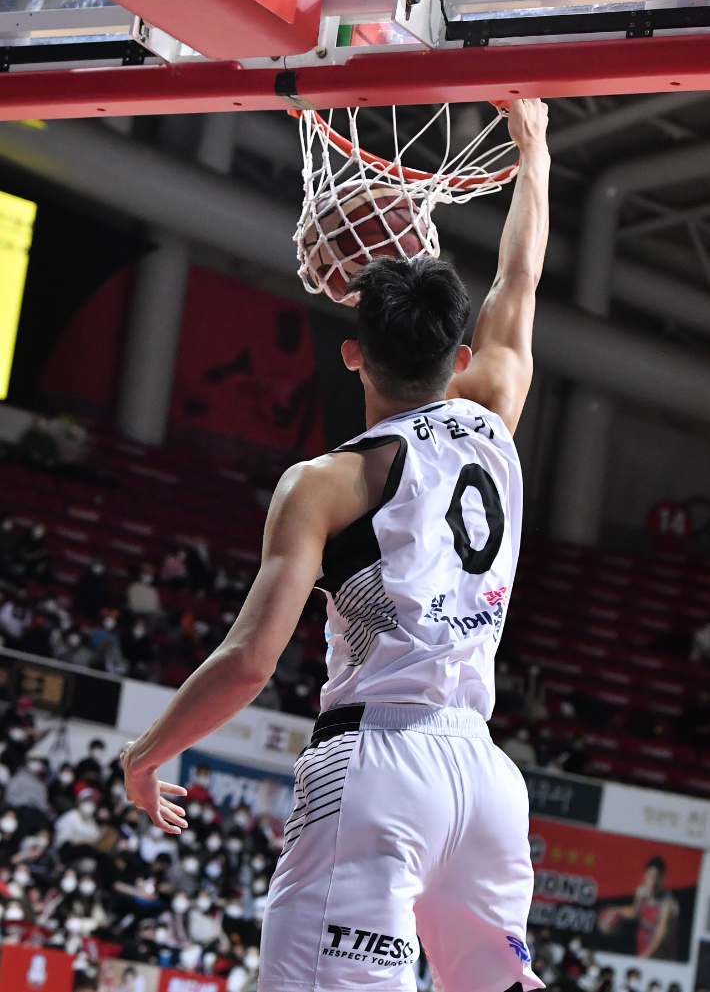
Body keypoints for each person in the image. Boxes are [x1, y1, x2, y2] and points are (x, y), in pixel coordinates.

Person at [121, 99, 550, 992]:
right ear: (460, 353)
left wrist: (146, 752)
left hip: (379, 767)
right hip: (485, 778)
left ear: (352, 355)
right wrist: (534, 150)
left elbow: (247, 663)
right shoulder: (493, 408)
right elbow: (521, 279)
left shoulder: (325, 483)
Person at [599, 857, 680, 960]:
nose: (652, 881)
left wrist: (639, 960)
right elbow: (635, 912)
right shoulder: (641, 893)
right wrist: (616, 911)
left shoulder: (668, 905)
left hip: (661, 959)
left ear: (662, 878)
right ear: (645, 876)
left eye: (656, 877)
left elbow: (658, 942)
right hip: (641, 951)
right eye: (650, 876)